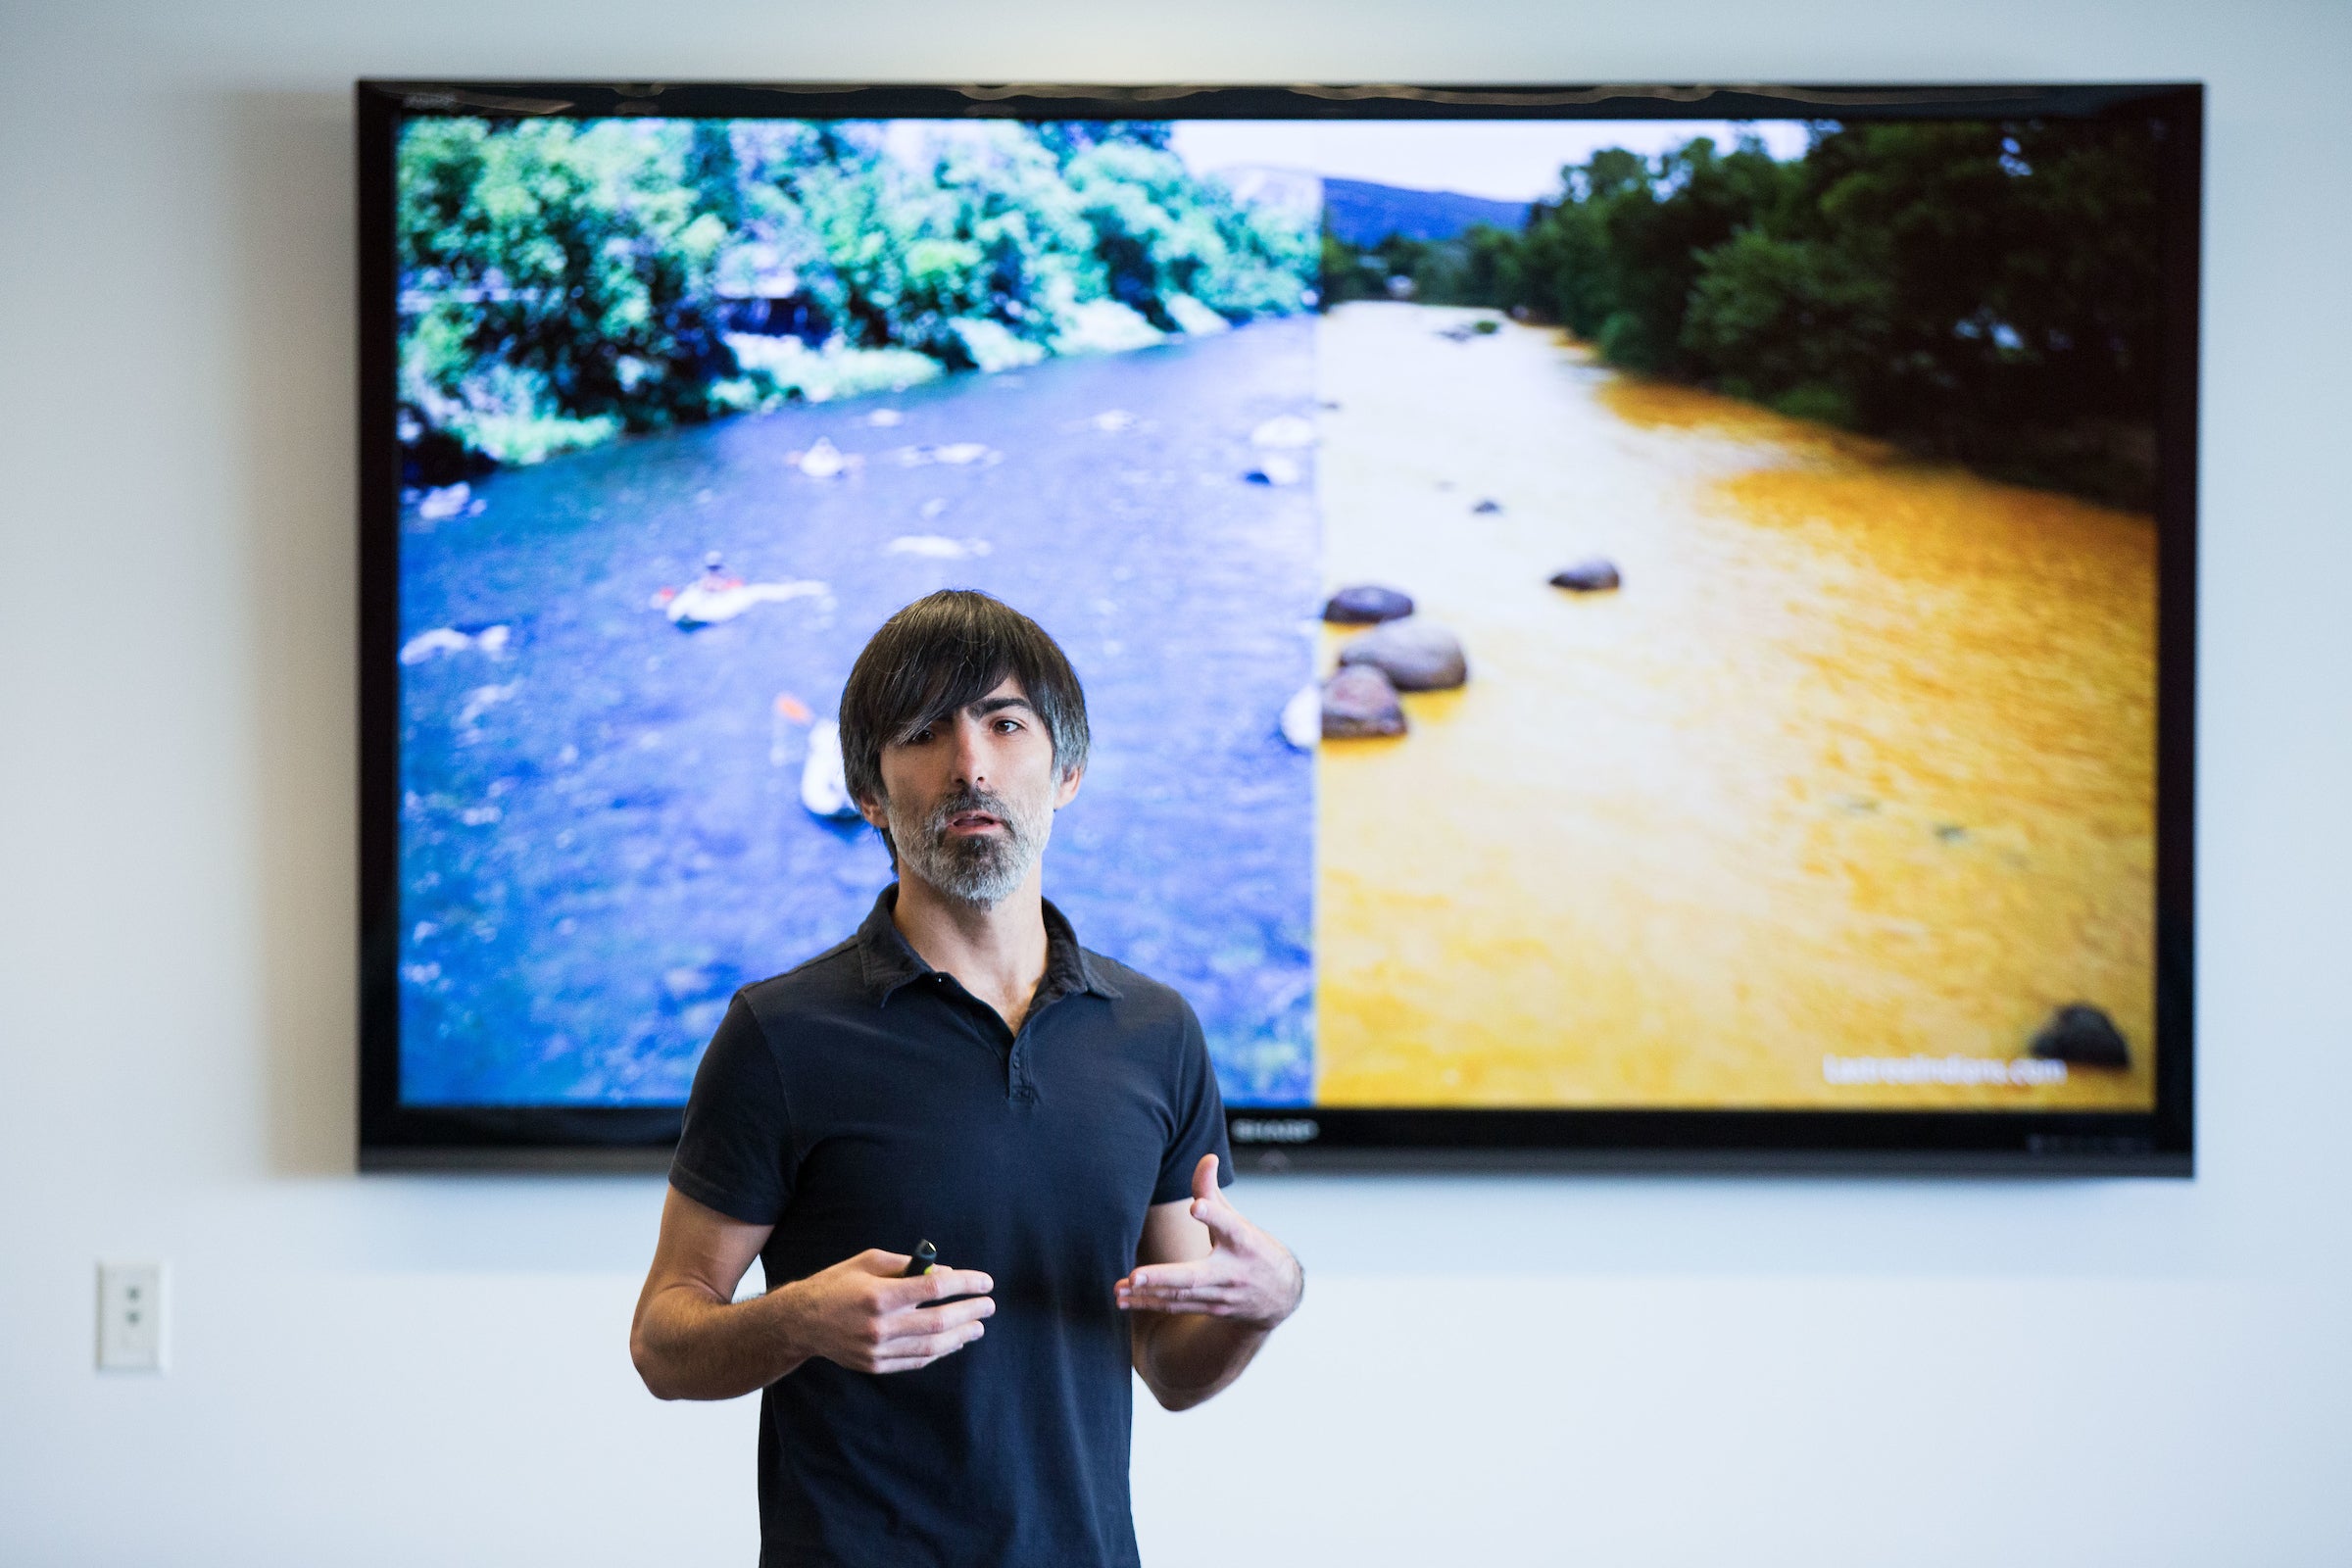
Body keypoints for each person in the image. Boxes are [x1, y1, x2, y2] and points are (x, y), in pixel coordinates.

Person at [630, 589, 1304, 1567]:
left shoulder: (1156, 1033)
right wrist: (801, 1319)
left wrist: (1263, 1305)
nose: (970, 763)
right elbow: (663, 1338)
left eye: (1004, 722)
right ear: (870, 793)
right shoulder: (777, 1033)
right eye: (921, 732)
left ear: (1067, 770)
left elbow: (1169, 1365)